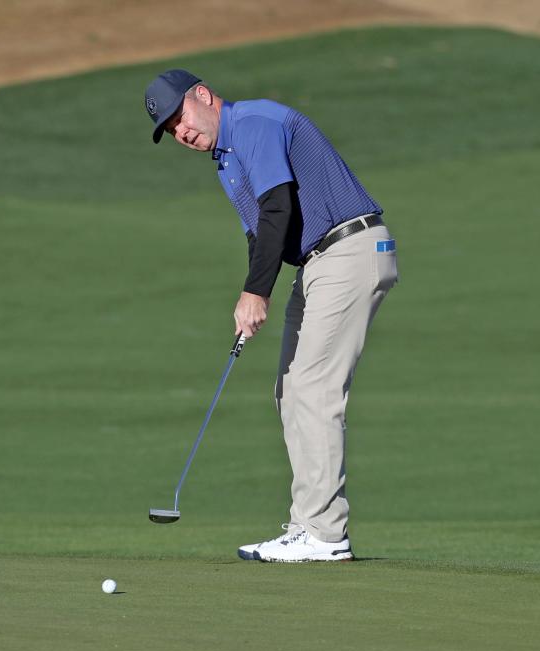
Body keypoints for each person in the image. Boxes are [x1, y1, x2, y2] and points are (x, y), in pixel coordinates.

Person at [144, 69, 399, 562]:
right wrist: (254, 297)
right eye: (171, 131)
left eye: (181, 117)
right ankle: (308, 525)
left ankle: (326, 534)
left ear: (203, 95)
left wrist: (255, 292)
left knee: (313, 387)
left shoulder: (253, 123)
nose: (182, 132)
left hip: (349, 248)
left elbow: (278, 208)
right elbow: (260, 234)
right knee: (290, 387)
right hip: (321, 261)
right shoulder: (226, 159)